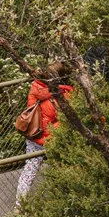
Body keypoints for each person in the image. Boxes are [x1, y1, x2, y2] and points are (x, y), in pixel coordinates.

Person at [14, 75, 72, 207]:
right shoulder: (64, 95)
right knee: (61, 168)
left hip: (34, 134)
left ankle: (20, 205)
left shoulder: (36, 88)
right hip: (53, 138)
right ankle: (61, 202)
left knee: (29, 170)